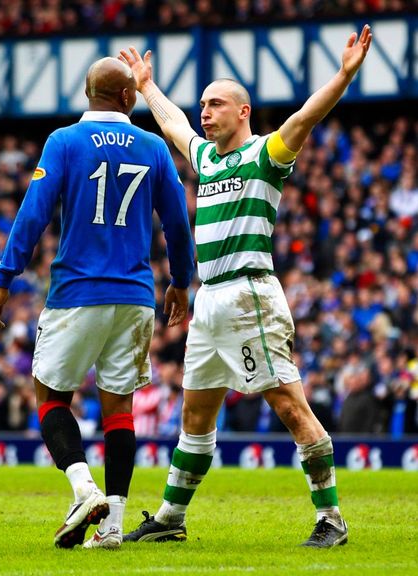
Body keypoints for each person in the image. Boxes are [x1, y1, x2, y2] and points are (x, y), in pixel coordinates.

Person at [120, 24, 373, 548]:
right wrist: (146, 87)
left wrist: (344, 76)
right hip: (209, 301)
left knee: (286, 402)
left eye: (215, 104)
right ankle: (171, 517)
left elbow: (306, 117)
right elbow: (174, 126)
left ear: (243, 112)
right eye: (203, 104)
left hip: (249, 295)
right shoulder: (208, 159)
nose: (205, 112)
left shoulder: (266, 154)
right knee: (195, 412)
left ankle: (332, 519)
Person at [0, 57, 194, 550]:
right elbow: (177, 224)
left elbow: (33, 213)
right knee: (119, 407)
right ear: (128, 97)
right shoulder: (154, 147)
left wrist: (3, 278)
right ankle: (114, 525)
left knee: (50, 395)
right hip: (137, 296)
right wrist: (180, 281)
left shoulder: (64, 141)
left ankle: (83, 490)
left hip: (78, 291)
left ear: (87, 93)